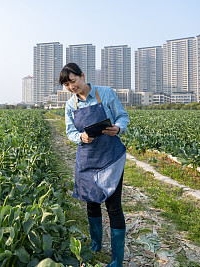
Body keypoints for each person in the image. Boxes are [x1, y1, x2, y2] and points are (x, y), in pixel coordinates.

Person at [60, 63, 129, 267]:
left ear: (82, 76)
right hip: (88, 158)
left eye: (73, 81)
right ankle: (95, 245)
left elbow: (122, 116)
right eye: (66, 85)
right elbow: (70, 131)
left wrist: (117, 128)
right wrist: (79, 136)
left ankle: (117, 259)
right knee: (91, 202)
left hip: (110, 158)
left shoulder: (105, 93)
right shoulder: (70, 105)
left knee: (114, 207)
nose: (71, 87)